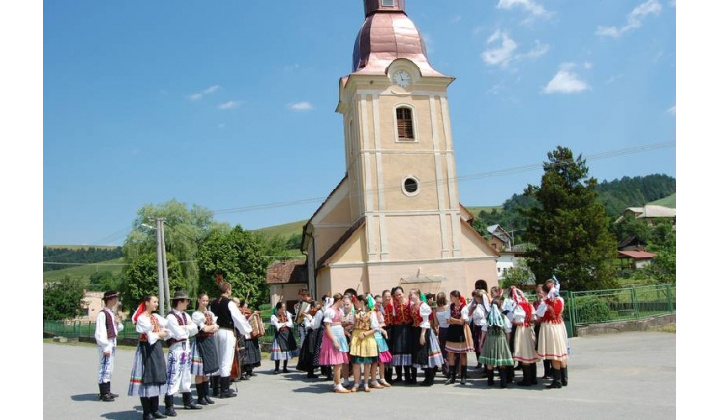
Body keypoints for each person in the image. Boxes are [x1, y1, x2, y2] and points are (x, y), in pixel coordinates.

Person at [128, 295, 169, 420]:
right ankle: (147, 411)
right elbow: (151, 336)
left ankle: (155, 409)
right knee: (147, 376)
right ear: (147, 303)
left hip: (156, 348)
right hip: (146, 348)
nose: (156, 304)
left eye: (157, 302)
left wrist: (161, 334)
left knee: (157, 374)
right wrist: (160, 334)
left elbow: (166, 330)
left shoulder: (155, 317)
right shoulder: (142, 318)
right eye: (154, 302)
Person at [208, 281, 252, 398]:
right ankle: (225, 390)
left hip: (215, 332)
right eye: (230, 289)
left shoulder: (212, 303)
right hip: (226, 332)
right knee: (226, 360)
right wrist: (247, 329)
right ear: (227, 290)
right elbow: (238, 318)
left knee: (217, 359)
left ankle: (215, 389)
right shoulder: (229, 303)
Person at [163, 290, 201, 416]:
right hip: (177, 348)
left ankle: (187, 400)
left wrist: (186, 328)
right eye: (186, 301)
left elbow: (195, 329)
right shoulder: (170, 317)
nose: (188, 303)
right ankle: (169, 404)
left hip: (186, 346)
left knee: (186, 374)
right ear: (180, 302)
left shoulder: (185, 315)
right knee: (174, 374)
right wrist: (187, 328)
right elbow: (178, 334)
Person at [536, 279, 569, 389]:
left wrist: (544, 301)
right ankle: (564, 378)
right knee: (561, 351)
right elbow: (561, 311)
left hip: (550, 327)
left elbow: (539, 315)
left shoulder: (545, 302)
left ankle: (557, 380)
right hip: (559, 325)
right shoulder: (560, 299)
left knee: (554, 353)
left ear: (545, 291)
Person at [409, 289, 444, 387]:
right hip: (416, 330)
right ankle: (427, 377)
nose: (410, 296)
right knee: (421, 354)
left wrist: (422, 335)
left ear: (417, 295)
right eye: (410, 294)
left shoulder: (423, 306)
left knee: (426, 353)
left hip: (424, 331)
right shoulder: (412, 305)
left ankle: (430, 378)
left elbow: (426, 321)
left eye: (412, 294)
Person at [190, 293, 220, 406]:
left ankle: (206, 395)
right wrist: (212, 327)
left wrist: (211, 327)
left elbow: (215, 327)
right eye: (203, 300)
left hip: (209, 341)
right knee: (199, 372)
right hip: (200, 342)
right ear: (199, 300)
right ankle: (200, 396)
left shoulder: (210, 313)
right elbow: (205, 329)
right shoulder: (196, 315)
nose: (205, 303)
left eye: (207, 301)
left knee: (207, 371)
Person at [95, 290, 124, 402]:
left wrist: (117, 322)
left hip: (112, 342)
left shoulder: (111, 313)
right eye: (115, 299)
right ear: (110, 300)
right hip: (106, 343)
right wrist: (105, 346)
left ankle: (107, 390)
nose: (116, 301)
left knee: (109, 367)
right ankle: (103, 393)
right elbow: (100, 332)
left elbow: (119, 328)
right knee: (104, 367)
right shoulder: (102, 314)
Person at [318, 293, 351, 393]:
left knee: (343, 360)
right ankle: (337, 385)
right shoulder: (329, 311)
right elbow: (327, 326)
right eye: (343, 302)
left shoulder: (339, 311)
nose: (343, 304)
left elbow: (340, 323)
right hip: (335, 337)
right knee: (337, 362)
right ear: (339, 300)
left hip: (340, 336)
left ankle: (344, 381)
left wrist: (347, 332)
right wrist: (334, 340)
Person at [478, 298, 514, 388]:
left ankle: (490, 381)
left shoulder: (488, 316)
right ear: (499, 306)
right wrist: (508, 342)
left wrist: (481, 341)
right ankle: (503, 382)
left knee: (490, 361)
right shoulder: (503, 316)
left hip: (490, 339)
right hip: (500, 339)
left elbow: (484, 330)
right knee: (501, 361)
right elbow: (508, 330)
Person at [348, 294, 381, 392]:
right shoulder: (355, 313)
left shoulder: (371, 313)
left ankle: (366, 383)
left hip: (367, 338)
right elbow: (353, 325)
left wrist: (365, 334)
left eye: (357, 302)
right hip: (356, 337)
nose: (355, 304)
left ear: (362, 302)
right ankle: (356, 383)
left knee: (367, 363)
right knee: (356, 363)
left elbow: (376, 328)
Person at [509, 286, 539, 386]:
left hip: (522, 330)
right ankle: (533, 378)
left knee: (524, 352)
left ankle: (527, 380)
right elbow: (533, 318)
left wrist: (512, 321)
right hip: (529, 329)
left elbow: (518, 321)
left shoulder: (518, 306)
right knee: (530, 352)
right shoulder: (529, 305)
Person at [444, 290, 473, 385]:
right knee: (451, 353)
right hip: (452, 331)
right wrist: (456, 320)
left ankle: (463, 376)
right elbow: (448, 320)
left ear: (456, 297)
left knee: (463, 353)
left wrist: (454, 320)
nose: (450, 298)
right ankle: (452, 376)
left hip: (461, 331)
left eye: (451, 297)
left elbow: (462, 322)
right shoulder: (450, 307)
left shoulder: (464, 307)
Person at [390, 286, 415, 384]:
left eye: (400, 294)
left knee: (408, 351)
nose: (398, 296)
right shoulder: (394, 305)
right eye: (396, 295)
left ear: (403, 293)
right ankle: (399, 376)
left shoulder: (410, 303)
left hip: (408, 329)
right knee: (398, 351)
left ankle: (409, 376)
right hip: (398, 329)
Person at [270, 301, 298, 373]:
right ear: (279, 309)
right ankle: (276, 368)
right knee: (278, 352)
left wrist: (283, 323)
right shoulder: (274, 316)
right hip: (279, 335)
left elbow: (291, 324)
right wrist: (285, 324)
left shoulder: (287, 314)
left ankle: (285, 368)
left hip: (287, 334)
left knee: (286, 351)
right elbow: (277, 325)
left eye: (284, 307)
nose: (284, 309)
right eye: (283, 307)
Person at [296, 300, 322, 378]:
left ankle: (314, 369)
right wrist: (309, 317)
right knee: (310, 352)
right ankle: (310, 371)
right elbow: (309, 326)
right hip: (311, 334)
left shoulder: (318, 314)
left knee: (315, 351)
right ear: (313, 307)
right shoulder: (307, 315)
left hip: (317, 333)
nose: (317, 310)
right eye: (316, 308)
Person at [372, 294, 392, 387]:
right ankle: (373, 380)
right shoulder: (371, 312)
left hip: (379, 335)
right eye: (377, 302)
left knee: (382, 360)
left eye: (380, 302)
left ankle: (382, 378)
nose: (379, 304)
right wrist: (379, 327)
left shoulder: (379, 312)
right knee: (375, 360)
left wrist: (380, 327)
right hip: (372, 336)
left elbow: (382, 322)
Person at [238, 300, 262, 380]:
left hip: (252, 335)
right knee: (247, 354)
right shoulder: (240, 313)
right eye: (245, 305)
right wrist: (252, 316)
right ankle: (246, 371)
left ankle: (251, 370)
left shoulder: (248, 312)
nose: (247, 306)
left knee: (253, 353)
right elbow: (244, 323)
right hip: (246, 336)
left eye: (247, 305)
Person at [533, 284, 552, 379]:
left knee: (550, 348)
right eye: (537, 292)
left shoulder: (548, 302)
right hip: (538, 327)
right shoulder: (535, 303)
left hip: (546, 325)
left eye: (540, 291)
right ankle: (547, 371)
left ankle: (553, 371)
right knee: (542, 348)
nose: (539, 293)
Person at [434, 292, 451, 377]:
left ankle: (445, 369)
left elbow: (436, 323)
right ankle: (451, 369)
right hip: (449, 329)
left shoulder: (436, 309)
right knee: (450, 349)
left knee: (443, 349)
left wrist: (437, 329)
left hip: (441, 329)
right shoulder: (448, 307)